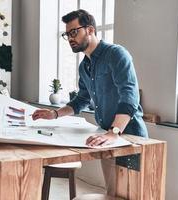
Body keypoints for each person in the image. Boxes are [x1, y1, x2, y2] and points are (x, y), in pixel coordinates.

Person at [32, 9, 148, 194]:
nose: (70, 38)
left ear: (90, 30)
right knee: (112, 192)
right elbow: (81, 100)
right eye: (67, 34)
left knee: (131, 194)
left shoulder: (116, 54)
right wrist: (54, 114)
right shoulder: (84, 66)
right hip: (107, 137)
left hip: (128, 137)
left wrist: (114, 132)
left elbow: (130, 96)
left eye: (74, 32)